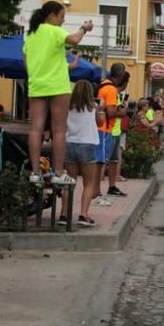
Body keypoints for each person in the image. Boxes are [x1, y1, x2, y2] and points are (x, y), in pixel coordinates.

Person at [23, 0, 92, 185]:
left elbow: (26, 60)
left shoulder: (30, 35)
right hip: (58, 86)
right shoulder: (54, 30)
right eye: (62, 16)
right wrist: (84, 28)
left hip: (36, 85)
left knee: (35, 128)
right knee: (59, 129)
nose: (62, 21)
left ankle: (35, 172)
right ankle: (59, 173)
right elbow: (75, 40)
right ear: (52, 15)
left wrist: (36, 76)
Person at [59, 80, 104, 227]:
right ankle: (83, 215)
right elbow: (100, 123)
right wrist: (101, 108)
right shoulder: (93, 107)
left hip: (69, 144)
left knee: (69, 182)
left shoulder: (68, 107)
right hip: (87, 145)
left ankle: (64, 215)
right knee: (88, 183)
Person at [94, 64, 127, 206]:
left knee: (100, 162)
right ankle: (96, 193)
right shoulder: (111, 89)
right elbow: (111, 112)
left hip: (101, 128)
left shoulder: (102, 85)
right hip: (106, 129)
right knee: (100, 163)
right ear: (120, 75)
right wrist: (124, 111)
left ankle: (96, 192)